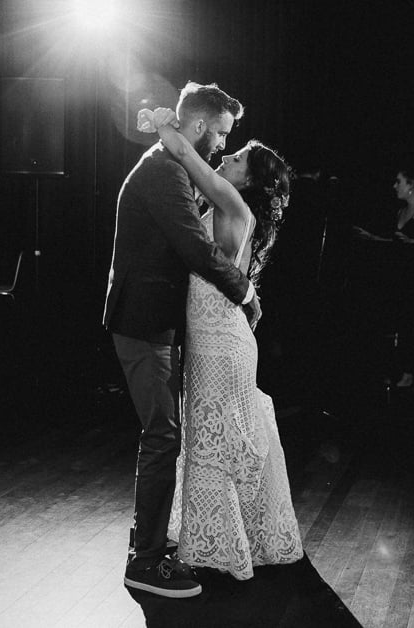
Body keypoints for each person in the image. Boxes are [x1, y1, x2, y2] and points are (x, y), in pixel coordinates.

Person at [103, 82, 261, 599]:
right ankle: (145, 562)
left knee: (163, 437)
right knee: (163, 438)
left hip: (156, 322)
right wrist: (245, 292)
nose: (219, 145)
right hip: (143, 323)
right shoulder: (163, 171)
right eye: (219, 133)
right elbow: (195, 249)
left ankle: (145, 543)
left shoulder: (169, 164)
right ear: (198, 126)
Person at [139, 105, 304, 580]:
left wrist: (163, 124)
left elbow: (189, 159)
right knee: (216, 440)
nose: (227, 157)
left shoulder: (233, 202)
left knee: (213, 443)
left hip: (220, 344)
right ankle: (224, 540)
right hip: (215, 340)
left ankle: (214, 550)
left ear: (248, 179)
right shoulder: (230, 205)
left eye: (237, 159)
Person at [352, 168, 414, 388]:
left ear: (410, 185)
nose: (395, 186)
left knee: (410, 325)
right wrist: (372, 238)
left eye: (399, 182)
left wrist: (412, 243)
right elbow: (396, 245)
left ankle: (408, 373)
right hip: (398, 279)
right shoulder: (400, 212)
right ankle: (391, 370)